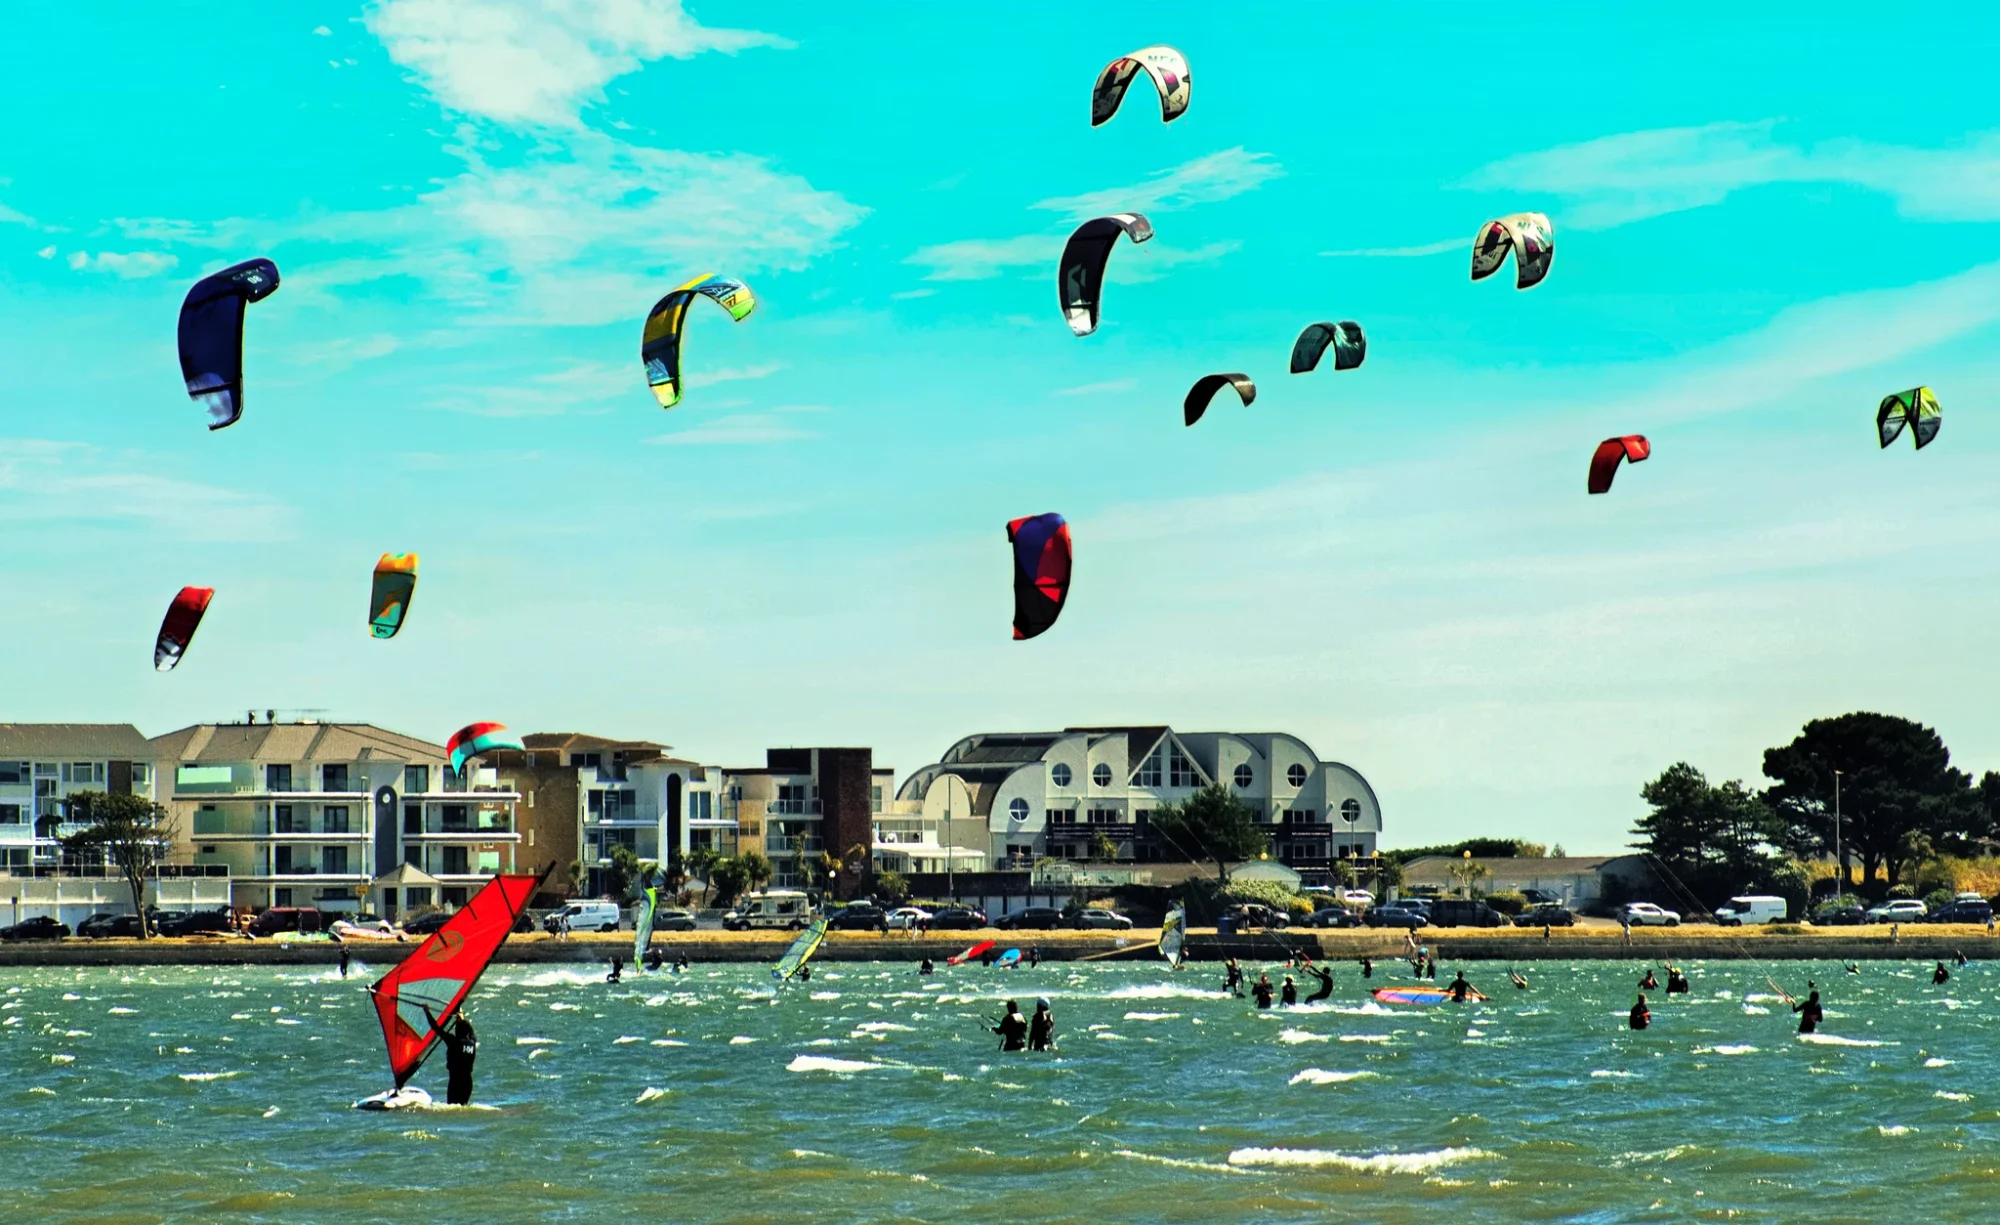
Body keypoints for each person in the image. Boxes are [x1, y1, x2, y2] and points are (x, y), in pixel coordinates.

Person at [434, 1010, 477, 1106]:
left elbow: (436, 1028)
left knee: (452, 1107)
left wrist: (426, 1011)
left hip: (455, 1082)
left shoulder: (453, 1042)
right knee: (463, 1108)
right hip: (467, 1084)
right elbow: (471, 1032)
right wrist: (462, 1019)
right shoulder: (472, 1043)